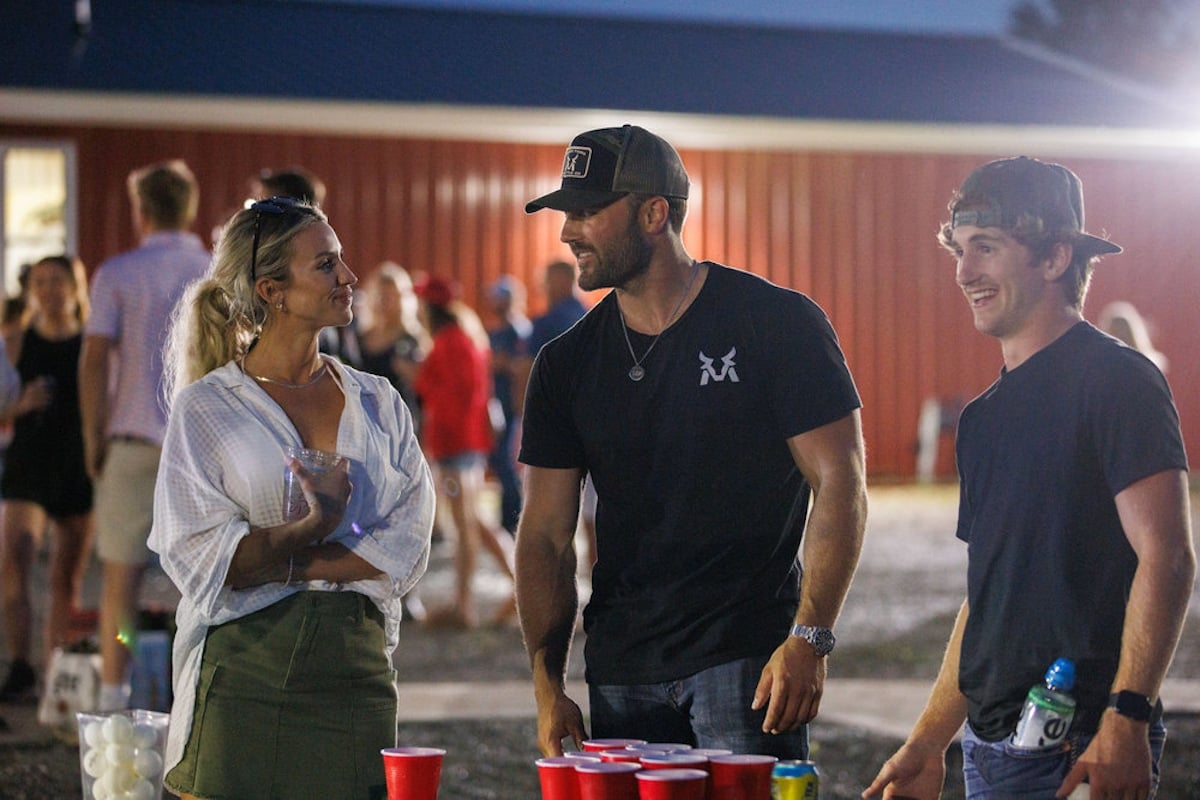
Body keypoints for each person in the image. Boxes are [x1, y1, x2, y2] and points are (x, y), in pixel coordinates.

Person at [516, 124, 868, 758]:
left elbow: (840, 481)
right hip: (621, 667)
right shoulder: (564, 365)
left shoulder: (775, 323)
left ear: (655, 213)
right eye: (567, 211)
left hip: (746, 659)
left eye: (589, 210)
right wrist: (548, 686)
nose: (569, 230)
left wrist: (811, 637)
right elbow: (543, 533)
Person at [864, 157, 1195, 800]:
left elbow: (1169, 558)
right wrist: (930, 740)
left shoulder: (1118, 381)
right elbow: (987, 600)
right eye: (960, 251)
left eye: (986, 248)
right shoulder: (984, 419)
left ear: (1053, 258)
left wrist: (1127, 717)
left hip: (1078, 744)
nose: (964, 272)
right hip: (992, 747)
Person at [148, 197, 435, 799]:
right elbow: (201, 559)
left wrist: (286, 560)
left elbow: (406, 544)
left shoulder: (378, 401)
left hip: (356, 673)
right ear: (273, 290)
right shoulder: (207, 409)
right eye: (327, 265)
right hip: (242, 674)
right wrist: (309, 531)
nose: (348, 278)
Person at [78, 160, 212, 711]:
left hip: (131, 438)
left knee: (120, 580)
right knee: (200, 581)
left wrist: (92, 437)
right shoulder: (213, 270)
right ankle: (192, 694)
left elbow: (92, 360)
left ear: (141, 210)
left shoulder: (117, 272)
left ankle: (115, 692)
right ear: (189, 206)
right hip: (199, 445)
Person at [0, 256, 93, 701]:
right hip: (29, 464)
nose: (49, 290)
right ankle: (20, 666)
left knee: (66, 578)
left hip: (78, 465)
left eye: (57, 281)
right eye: (40, 282)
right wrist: (20, 406)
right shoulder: (16, 342)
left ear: (75, 288)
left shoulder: (93, 343)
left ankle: (57, 674)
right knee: (16, 556)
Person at [413, 275, 516, 628]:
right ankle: (519, 588)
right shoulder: (466, 337)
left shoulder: (448, 343)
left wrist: (415, 374)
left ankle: (464, 605)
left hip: (455, 446)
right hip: (465, 444)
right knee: (475, 521)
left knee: (464, 525)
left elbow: (450, 397)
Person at [485, 275, 531, 535]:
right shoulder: (497, 330)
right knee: (499, 462)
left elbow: (517, 366)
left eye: (500, 297)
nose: (495, 302)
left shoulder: (518, 330)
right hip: (496, 405)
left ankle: (513, 520)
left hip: (512, 407)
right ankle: (507, 518)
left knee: (508, 462)